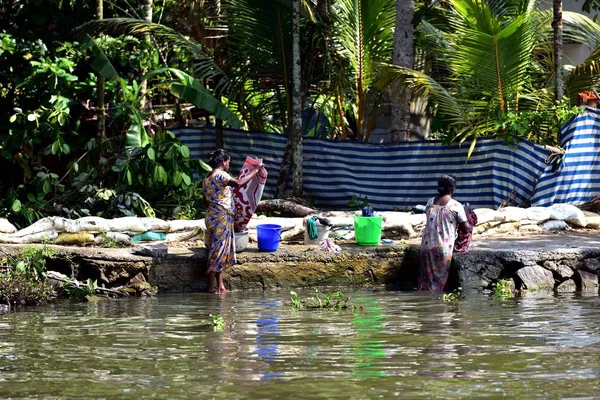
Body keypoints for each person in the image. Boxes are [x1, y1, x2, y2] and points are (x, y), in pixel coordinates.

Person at [203, 149, 264, 294]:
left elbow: (204, 201)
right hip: (221, 218)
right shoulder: (221, 175)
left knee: (219, 249)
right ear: (223, 162)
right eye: (228, 162)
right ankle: (211, 288)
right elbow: (238, 183)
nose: (229, 165)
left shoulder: (207, 178)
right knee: (217, 252)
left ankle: (221, 285)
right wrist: (255, 170)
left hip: (211, 217)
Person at [419, 175, 470, 291]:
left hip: (426, 247)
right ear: (452, 189)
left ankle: (425, 305)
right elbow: (465, 228)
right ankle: (438, 306)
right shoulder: (456, 206)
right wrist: (467, 215)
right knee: (439, 283)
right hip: (442, 248)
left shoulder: (430, 202)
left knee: (426, 283)